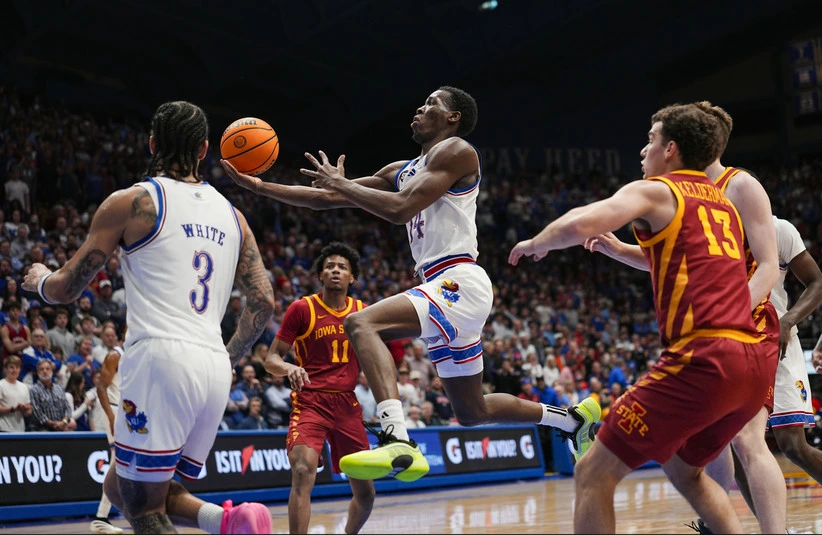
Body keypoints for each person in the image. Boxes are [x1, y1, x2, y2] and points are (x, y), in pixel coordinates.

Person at [223, 86, 600, 483]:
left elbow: (402, 209)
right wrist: (259, 188)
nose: (419, 108)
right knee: (471, 412)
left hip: (458, 280)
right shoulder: (399, 170)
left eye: (431, 103)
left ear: (453, 117)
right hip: (443, 287)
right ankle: (570, 419)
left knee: (361, 323)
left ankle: (397, 438)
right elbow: (324, 198)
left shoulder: (458, 151)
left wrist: (342, 184)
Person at [510, 102, 774, 533]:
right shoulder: (721, 205)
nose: (642, 149)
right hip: (752, 360)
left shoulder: (659, 191)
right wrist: (618, 249)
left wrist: (537, 242)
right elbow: (683, 263)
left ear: (671, 149)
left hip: (704, 358)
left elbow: (582, 222)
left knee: (592, 471)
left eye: (650, 139)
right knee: (685, 470)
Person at [22, 101, 273, 535]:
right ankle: (228, 522)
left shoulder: (134, 201)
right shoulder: (235, 218)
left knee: (143, 508)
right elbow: (264, 301)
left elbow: (67, 288)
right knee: (123, 487)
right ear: (204, 149)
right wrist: (229, 357)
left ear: (152, 143)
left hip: (161, 358)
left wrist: (40, 280)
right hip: (214, 364)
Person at [585, 102, 785, 534]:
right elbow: (667, 259)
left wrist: (731, 315)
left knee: (748, 439)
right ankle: (717, 522)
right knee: (701, 446)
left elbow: (770, 266)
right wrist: (617, 250)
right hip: (706, 332)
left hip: (747, 324)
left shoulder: (740, 185)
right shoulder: (681, 190)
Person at [263, 242, 375, 534]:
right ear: (321, 275)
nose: (335, 270)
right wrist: (289, 368)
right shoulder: (302, 308)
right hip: (310, 401)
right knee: (302, 471)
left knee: (366, 494)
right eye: (329, 266)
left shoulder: (363, 312)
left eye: (342, 267)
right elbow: (271, 360)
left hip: (347, 404)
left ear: (352, 277)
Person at [766, 216, 822, 481]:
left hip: (778, 342)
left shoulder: (779, 229)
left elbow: (816, 281)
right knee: (738, 444)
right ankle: (763, 510)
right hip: (733, 343)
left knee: (792, 445)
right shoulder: (712, 230)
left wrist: (788, 320)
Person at [90, 338, 125, 534]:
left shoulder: (138, 354)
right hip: (113, 408)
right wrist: (111, 417)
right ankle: (101, 517)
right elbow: (101, 387)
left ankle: (104, 516)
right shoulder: (115, 355)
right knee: (118, 462)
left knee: (126, 464)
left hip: (127, 410)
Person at [29, 359, 76, 431]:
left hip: (61, 428)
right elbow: (37, 413)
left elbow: (67, 408)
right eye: (42, 369)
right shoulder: (33, 390)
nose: (45, 371)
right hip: (42, 430)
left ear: (52, 371)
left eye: (47, 369)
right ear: (38, 372)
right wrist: (54, 424)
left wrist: (63, 422)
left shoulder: (59, 388)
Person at [0, 356, 32, 432]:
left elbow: (28, 411)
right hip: (3, 429)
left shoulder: (24, 387)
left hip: (20, 429)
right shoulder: (1, 385)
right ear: (5, 369)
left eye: (17, 367)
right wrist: (14, 409)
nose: (14, 370)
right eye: (11, 367)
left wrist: (26, 410)